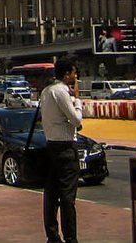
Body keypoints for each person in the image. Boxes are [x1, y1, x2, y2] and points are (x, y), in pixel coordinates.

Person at [39, 57, 83, 243]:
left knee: (51, 195)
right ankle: (70, 238)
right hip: (65, 147)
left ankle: (53, 236)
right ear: (66, 75)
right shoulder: (61, 92)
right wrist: (77, 100)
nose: (76, 76)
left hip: (51, 145)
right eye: (74, 73)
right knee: (67, 198)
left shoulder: (46, 91)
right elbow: (76, 120)